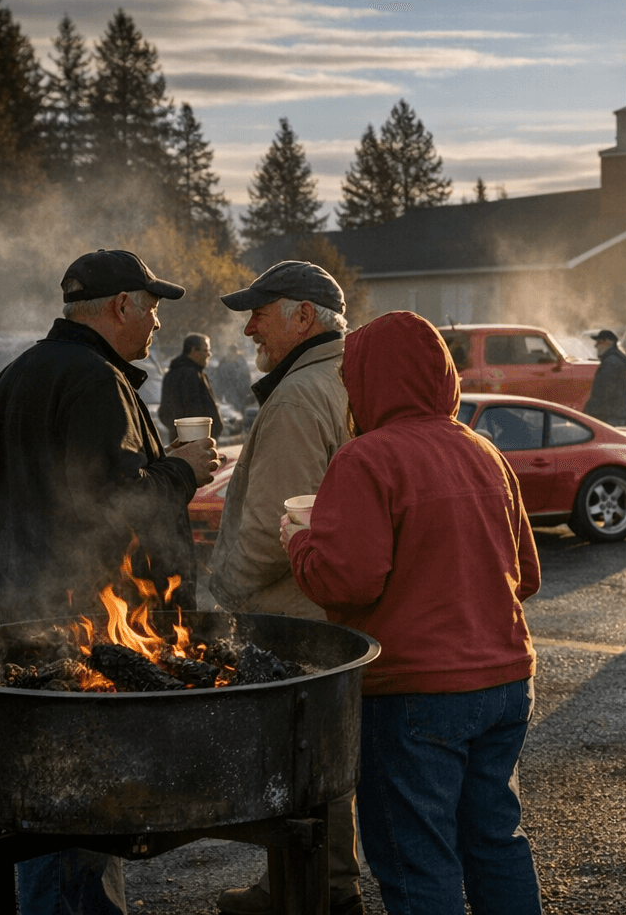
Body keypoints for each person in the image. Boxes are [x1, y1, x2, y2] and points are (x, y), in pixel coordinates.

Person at [0, 248, 218, 915]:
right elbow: (116, 505)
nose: (159, 325)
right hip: (92, 630)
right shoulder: (97, 382)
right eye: (153, 309)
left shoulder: (12, 379)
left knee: (50, 796)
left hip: (26, 621)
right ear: (121, 307)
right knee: (82, 805)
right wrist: (183, 471)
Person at [281, 311, 542, 915]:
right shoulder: (485, 452)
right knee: (495, 843)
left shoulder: (366, 459)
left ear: (371, 379)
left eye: (352, 378)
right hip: (505, 683)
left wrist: (299, 541)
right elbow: (525, 576)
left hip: (412, 694)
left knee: (417, 861)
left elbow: (347, 581)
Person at [208, 261, 363, 915]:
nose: (248, 328)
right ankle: (302, 885)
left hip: (293, 614)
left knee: (302, 763)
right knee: (319, 761)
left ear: (303, 316)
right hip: (327, 606)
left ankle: (317, 893)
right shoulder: (342, 377)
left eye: (260, 312)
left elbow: (279, 522)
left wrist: (223, 594)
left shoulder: (299, 395)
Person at [157, 332, 223, 442]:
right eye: (205, 350)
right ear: (193, 351)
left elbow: (165, 413)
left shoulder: (173, 374)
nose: (209, 354)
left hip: (182, 442)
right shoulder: (191, 375)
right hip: (196, 444)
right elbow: (194, 411)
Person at [582, 329, 626, 426]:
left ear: (607, 342)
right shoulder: (615, 360)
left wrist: (589, 413)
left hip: (610, 418)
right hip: (616, 416)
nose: (595, 346)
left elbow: (605, 392)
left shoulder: (611, 362)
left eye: (599, 342)